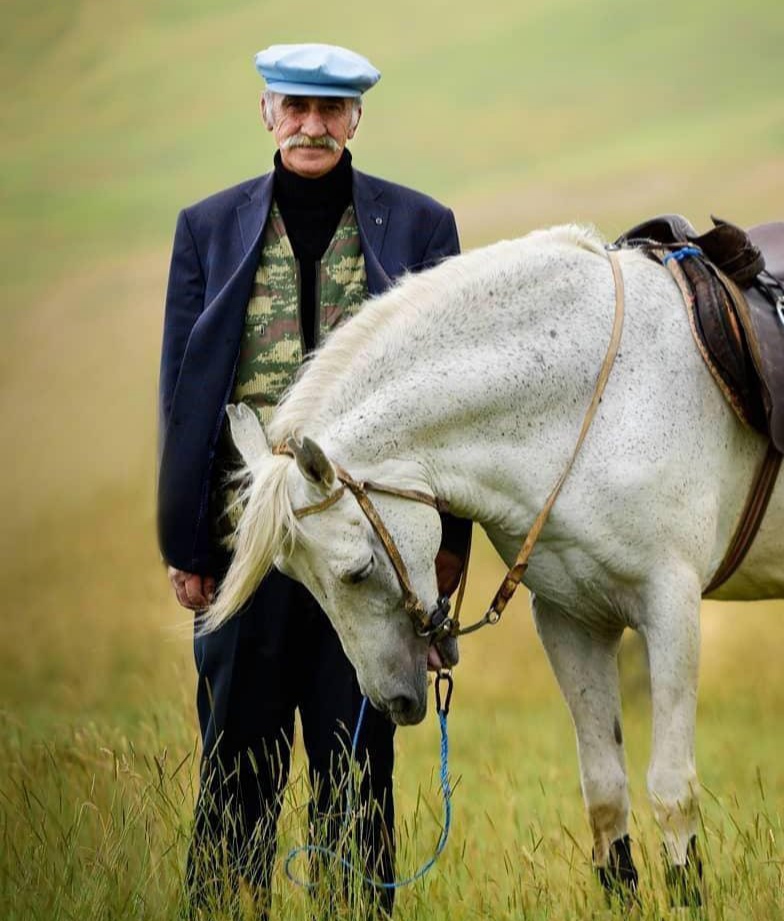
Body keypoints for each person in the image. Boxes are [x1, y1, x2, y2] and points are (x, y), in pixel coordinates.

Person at [157, 43, 470, 919]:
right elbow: (183, 399)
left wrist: (447, 548)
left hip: (368, 560)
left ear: (357, 119)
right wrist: (185, 545)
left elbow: (451, 401)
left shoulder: (420, 226)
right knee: (235, 768)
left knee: (359, 767)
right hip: (245, 549)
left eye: (331, 110)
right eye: (295, 106)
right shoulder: (207, 228)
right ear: (267, 112)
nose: (312, 124)